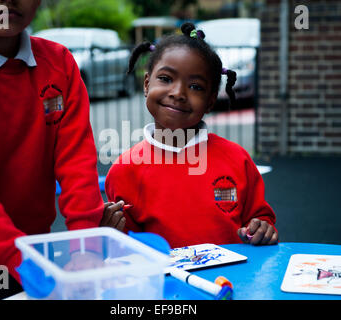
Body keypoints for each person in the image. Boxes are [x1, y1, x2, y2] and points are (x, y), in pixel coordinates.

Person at [0, 0, 104, 299]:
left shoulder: (58, 63)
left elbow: (77, 162)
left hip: (36, 253)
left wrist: (85, 248)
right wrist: (22, 261)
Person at [104, 22, 278, 249]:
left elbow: (261, 221)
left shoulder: (237, 160)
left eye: (195, 86)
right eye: (166, 79)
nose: (178, 93)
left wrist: (263, 229)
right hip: (167, 285)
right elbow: (127, 252)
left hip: (234, 282)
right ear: (146, 84)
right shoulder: (124, 171)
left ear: (211, 101)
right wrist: (110, 233)